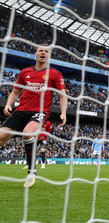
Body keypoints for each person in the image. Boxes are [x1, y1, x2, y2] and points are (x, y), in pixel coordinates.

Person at [0, 45, 67, 188]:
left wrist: (63, 112)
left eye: (46, 51)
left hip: (39, 111)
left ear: (49, 56)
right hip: (20, 111)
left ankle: (31, 171)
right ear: (35, 54)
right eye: (40, 50)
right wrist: (8, 104)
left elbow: (62, 96)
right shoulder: (25, 72)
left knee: (27, 133)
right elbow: (15, 92)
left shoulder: (55, 74)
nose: (43, 52)